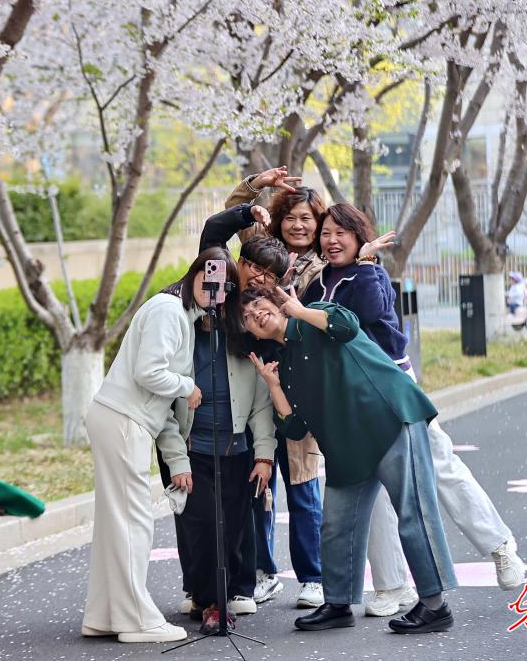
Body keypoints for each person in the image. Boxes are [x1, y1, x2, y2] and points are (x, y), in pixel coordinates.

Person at [305, 202, 526, 617]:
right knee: (368, 487)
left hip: (393, 389)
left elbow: (368, 313)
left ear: (358, 236)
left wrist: (366, 263)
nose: (331, 241)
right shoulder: (318, 282)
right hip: (351, 400)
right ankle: (392, 586)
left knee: (440, 467)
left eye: (341, 233)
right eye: (326, 233)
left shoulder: (370, 274)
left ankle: (500, 546)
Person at [242, 286, 458, 634]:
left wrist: (299, 311)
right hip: (346, 448)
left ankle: (435, 606)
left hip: (387, 420)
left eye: (258, 304)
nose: (256, 313)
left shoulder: (314, 315)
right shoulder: (284, 365)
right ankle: (338, 604)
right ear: (252, 333)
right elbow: (295, 428)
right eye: (248, 317)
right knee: (336, 526)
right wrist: (274, 386)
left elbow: (347, 326)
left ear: (276, 302)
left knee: (412, 513)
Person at [81, 251, 219, 643]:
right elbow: (149, 372)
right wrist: (187, 387)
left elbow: (156, 390)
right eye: (209, 277)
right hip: (125, 420)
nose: (215, 288)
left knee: (116, 524)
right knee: (134, 522)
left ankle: (104, 616)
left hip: (121, 418)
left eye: (224, 284)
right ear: (194, 273)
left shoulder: (180, 313)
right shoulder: (169, 310)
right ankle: (136, 620)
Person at [210, 171, 332, 609]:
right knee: (258, 485)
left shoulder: (324, 266)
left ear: (319, 225)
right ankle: (264, 572)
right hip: (254, 380)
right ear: (279, 220)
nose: (298, 225)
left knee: (302, 483)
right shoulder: (264, 251)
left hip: (297, 385)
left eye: (307, 218)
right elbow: (232, 213)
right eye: (291, 217)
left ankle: (313, 577)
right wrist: (254, 184)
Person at [162, 215, 292, 620]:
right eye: (209, 286)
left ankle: (236, 588)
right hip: (191, 443)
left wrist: (264, 455)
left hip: (237, 444)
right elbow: (213, 237)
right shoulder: (180, 322)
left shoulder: (249, 328)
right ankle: (204, 595)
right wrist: (247, 209)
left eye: (269, 275)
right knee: (198, 522)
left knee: (238, 520)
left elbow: (260, 405)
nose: (216, 295)